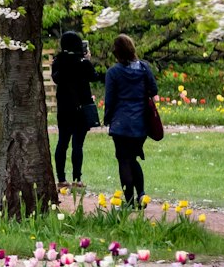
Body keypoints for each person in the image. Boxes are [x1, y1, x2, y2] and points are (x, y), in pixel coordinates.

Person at [103, 34, 157, 207]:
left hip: (121, 123)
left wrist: (107, 118)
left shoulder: (113, 72)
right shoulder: (144, 68)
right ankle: (141, 194)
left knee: (124, 161)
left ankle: (129, 201)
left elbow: (110, 99)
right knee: (133, 158)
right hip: (141, 121)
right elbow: (153, 89)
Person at [51, 31, 101, 189]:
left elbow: (56, 78)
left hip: (65, 106)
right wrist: (87, 61)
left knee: (62, 142)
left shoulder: (58, 61)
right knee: (78, 144)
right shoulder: (82, 63)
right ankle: (77, 178)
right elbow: (94, 77)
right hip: (82, 106)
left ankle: (61, 178)